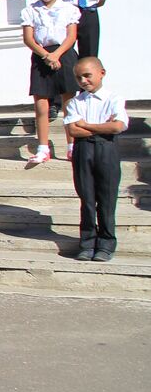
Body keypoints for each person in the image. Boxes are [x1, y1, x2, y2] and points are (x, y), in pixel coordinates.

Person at [64, 57, 126, 262]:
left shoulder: (113, 99)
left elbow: (117, 127)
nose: (83, 81)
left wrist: (87, 125)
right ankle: (88, 242)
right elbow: (73, 129)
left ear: (102, 73)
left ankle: (106, 243)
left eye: (87, 75)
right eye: (79, 77)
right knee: (87, 199)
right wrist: (101, 127)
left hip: (106, 150)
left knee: (107, 199)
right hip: (84, 152)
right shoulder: (75, 102)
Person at [21, 0, 79, 165]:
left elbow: (71, 35)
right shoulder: (30, 11)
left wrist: (57, 54)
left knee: (69, 101)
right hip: (41, 54)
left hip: (63, 53)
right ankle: (43, 147)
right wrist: (46, 55)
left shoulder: (69, 9)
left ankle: (72, 145)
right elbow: (28, 38)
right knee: (41, 102)